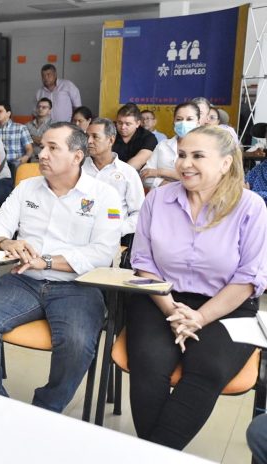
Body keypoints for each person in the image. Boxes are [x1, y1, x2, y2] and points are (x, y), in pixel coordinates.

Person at [0, 122, 123, 413]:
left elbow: (102, 253)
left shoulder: (104, 196)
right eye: (42, 147)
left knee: (77, 341)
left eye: (53, 148)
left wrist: (48, 261)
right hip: (25, 280)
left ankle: (46, 408)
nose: (43, 154)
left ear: (77, 156)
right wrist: (5, 243)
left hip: (77, 286)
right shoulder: (27, 188)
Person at [127, 125, 267, 450]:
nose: (185, 164)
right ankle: (156, 454)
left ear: (225, 163)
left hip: (228, 305)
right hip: (161, 297)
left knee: (208, 368)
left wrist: (199, 318)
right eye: (182, 155)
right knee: (149, 361)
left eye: (198, 156)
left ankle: (150, 454)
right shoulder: (158, 200)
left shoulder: (250, 207)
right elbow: (143, 263)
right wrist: (173, 310)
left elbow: (248, 278)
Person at [82, 118, 144, 241]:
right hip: (79, 235)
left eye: (95, 137)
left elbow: (140, 212)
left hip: (114, 238)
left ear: (111, 140)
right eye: (87, 136)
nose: (89, 141)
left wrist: (119, 230)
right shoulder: (78, 169)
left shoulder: (127, 173)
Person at [141, 102, 200, 190]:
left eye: (189, 119)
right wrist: (165, 183)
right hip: (161, 200)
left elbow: (200, 180)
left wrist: (161, 172)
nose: (183, 123)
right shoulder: (163, 145)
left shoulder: (206, 148)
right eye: (179, 119)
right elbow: (145, 175)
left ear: (198, 123)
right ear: (174, 122)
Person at [0, 101, 34, 179]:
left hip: (16, 163)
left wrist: (26, 157)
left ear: (8, 113)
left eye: (0, 111)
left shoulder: (20, 128)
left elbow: (29, 149)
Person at [112, 103, 158, 170]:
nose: (123, 127)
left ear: (137, 124)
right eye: (120, 123)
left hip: (136, 176)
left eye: (128, 124)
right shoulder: (110, 134)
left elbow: (139, 161)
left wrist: (119, 175)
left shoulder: (148, 137)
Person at [26, 97, 53, 162]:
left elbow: (48, 143)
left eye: (44, 107)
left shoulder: (54, 126)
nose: (40, 109)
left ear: (49, 110)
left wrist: (30, 137)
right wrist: (38, 139)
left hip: (47, 159)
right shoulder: (27, 125)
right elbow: (24, 142)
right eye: (39, 107)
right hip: (30, 159)